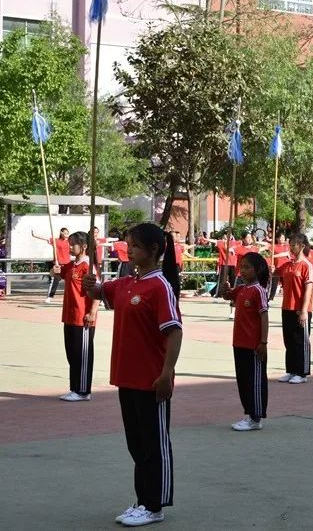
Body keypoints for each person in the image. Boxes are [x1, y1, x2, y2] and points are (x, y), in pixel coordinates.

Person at [82, 223, 182, 527]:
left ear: (152, 250)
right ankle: (143, 500)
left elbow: (174, 332)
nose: (129, 250)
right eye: (128, 245)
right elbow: (99, 290)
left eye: (135, 246)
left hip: (151, 378)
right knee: (136, 444)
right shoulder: (127, 283)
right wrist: (91, 278)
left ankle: (154, 505)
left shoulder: (159, 286)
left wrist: (167, 373)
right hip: (126, 376)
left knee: (154, 444)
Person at [219, 252, 269, 431]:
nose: (243, 271)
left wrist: (263, 342)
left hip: (253, 344)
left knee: (254, 380)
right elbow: (227, 296)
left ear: (258, 270)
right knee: (243, 380)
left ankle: (255, 417)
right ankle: (248, 413)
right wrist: (225, 289)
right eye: (242, 267)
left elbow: (264, 316)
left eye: (247, 267)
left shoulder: (258, 291)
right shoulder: (241, 289)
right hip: (239, 342)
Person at [54, 231, 98, 401]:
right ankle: (75, 388)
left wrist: (92, 312)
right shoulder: (72, 265)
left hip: (83, 317)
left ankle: (83, 391)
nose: (70, 247)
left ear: (84, 246)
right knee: (72, 353)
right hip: (69, 316)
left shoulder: (88, 266)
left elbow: (96, 290)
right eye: (69, 244)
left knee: (83, 354)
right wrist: (55, 270)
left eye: (73, 244)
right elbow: (57, 274)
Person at [279, 233, 313, 384]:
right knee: (289, 341)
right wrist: (272, 268)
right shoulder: (287, 265)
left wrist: (304, 310)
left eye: (294, 244)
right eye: (290, 244)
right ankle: (291, 370)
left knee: (301, 341)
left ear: (302, 246)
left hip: (300, 308)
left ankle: (302, 372)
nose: (291, 247)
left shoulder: (307, 265)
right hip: (287, 307)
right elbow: (273, 274)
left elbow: (308, 289)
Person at [32, 227, 70, 303]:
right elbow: (44, 238)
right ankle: (50, 297)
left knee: (70, 281)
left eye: (67, 233)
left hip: (67, 264)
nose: (66, 235)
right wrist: (34, 235)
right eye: (65, 233)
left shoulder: (70, 241)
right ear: (61, 233)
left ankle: (70, 297)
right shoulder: (56, 241)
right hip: (58, 264)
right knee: (55, 281)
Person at [268, 232, 291, 301]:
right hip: (277, 267)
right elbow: (267, 247)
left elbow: (288, 254)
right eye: (280, 238)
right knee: (274, 284)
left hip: (286, 267)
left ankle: (288, 297)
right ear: (277, 239)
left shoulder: (288, 247)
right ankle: (271, 298)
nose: (282, 239)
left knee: (286, 284)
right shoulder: (273, 246)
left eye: (283, 238)